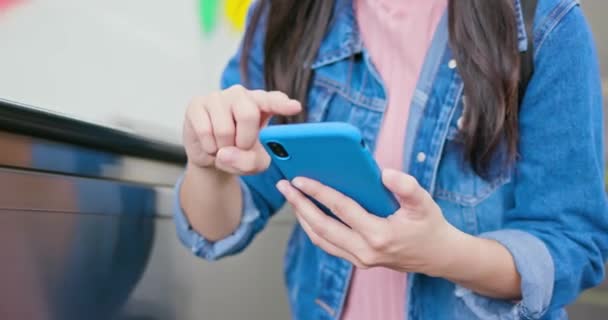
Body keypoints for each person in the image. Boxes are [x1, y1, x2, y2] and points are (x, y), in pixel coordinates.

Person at [174, 0, 608, 319]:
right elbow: (219, 229)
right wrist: (208, 163)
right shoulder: (284, 14)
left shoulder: (545, 22)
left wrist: (444, 254)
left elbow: (574, 243)